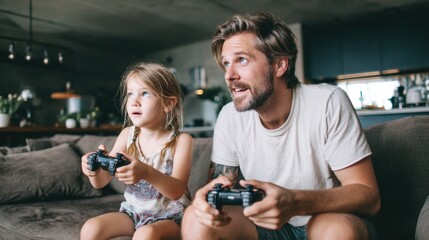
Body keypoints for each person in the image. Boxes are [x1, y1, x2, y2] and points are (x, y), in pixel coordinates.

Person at [181, 12, 380, 240]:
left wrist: (295, 202)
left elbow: (369, 196)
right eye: (226, 64)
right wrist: (205, 201)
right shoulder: (229, 116)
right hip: (265, 227)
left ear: (279, 65)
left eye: (241, 60)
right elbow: (219, 184)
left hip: (325, 220)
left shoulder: (328, 102)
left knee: (335, 229)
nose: (229, 75)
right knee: (195, 217)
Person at [80, 62, 193, 240]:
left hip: (171, 217)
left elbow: (177, 190)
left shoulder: (181, 141)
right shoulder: (127, 135)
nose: (134, 101)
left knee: (145, 235)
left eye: (145, 93)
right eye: (130, 94)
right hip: (133, 213)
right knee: (90, 228)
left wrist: (147, 172)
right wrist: (93, 171)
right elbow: (101, 182)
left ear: (168, 103)